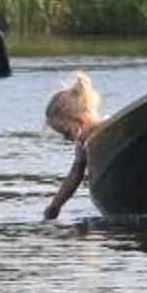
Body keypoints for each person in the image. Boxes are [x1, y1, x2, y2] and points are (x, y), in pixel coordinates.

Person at [39, 75, 100, 222]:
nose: (66, 139)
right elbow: (75, 175)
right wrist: (55, 205)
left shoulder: (107, 130)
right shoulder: (82, 145)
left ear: (81, 121)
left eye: (67, 132)